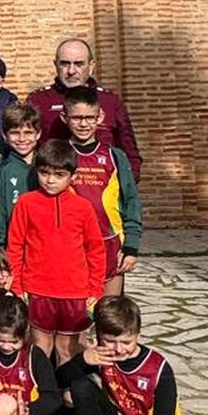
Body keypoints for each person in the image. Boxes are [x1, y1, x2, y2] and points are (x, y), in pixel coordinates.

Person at [6, 139, 107, 363]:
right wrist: (17, 285)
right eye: (44, 172)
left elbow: (95, 250)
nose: (50, 180)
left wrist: (95, 288)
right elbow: (15, 246)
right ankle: (43, 395)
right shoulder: (26, 203)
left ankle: (70, 397)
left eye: (59, 174)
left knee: (70, 350)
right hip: (37, 290)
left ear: (73, 175)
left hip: (75, 292)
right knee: (39, 348)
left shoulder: (83, 207)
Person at [61, 85, 142, 299]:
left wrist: (131, 247)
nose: (84, 123)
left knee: (109, 312)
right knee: (78, 317)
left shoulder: (116, 157)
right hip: (70, 246)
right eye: (77, 117)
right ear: (64, 117)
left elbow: (131, 202)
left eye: (90, 117)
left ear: (100, 117)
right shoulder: (57, 154)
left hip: (110, 243)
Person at [28, 37, 143, 176]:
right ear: (55, 65)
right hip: (54, 186)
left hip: (102, 186)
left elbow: (129, 150)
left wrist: (127, 184)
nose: (71, 71)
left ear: (91, 65)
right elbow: (24, 145)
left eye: (79, 64)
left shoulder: (110, 102)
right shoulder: (38, 101)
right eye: (64, 64)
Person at [0, 102, 42, 244]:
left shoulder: (48, 167)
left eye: (28, 133)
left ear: (38, 134)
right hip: (14, 247)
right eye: (15, 133)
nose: (22, 139)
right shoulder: (0, 173)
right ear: (5, 136)